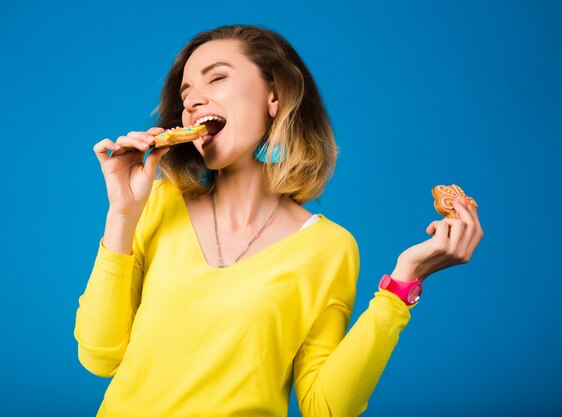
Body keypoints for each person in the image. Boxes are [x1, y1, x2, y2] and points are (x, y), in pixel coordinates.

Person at [74, 25, 484, 417]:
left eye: (216, 79)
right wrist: (122, 215)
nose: (193, 101)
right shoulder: (157, 204)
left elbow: (326, 408)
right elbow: (98, 355)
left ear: (274, 96)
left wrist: (401, 285)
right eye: (186, 93)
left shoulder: (329, 248)